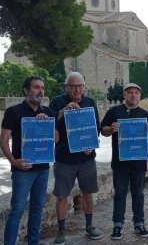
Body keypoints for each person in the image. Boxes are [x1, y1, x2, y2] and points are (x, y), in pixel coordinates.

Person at [0, 76, 58, 245]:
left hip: (43, 169)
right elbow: (3, 141)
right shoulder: (13, 112)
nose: (40, 91)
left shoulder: (48, 112)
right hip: (22, 170)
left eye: (42, 88)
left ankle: (34, 242)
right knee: (17, 210)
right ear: (26, 90)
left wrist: (46, 124)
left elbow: (56, 139)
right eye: (36, 87)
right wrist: (13, 161)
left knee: (37, 208)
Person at [49, 72, 101, 244]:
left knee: (87, 193)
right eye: (73, 86)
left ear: (84, 87)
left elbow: (96, 128)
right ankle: (61, 231)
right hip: (64, 159)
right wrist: (63, 111)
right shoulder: (57, 102)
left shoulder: (90, 102)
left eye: (80, 86)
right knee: (62, 195)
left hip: (86, 159)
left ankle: (89, 226)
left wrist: (91, 145)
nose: (77, 89)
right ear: (67, 87)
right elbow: (49, 124)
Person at [101, 83, 148, 240]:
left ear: (139, 95)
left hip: (138, 163)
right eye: (130, 92)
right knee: (120, 194)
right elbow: (102, 131)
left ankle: (139, 223)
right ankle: (117, 225)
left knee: (138, 194)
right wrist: (111, 129)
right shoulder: (114, 111)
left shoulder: (145, 114)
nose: (133, 95)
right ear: (124, 95)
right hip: (120, 162)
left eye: (136, 93)